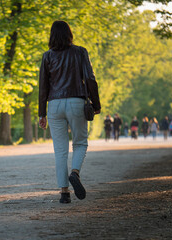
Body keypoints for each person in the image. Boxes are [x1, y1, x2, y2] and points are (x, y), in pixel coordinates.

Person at [38, 21, 101, 204]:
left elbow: (43, 86)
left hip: (54, 104)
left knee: (60, 150)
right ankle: (75, 172)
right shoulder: (80, 52)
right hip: (76, 101)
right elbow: (89, 78)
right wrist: (96, 104)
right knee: (80, 143)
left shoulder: (47, 56)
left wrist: (42, 113)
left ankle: (64, 193)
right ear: (69, 34)